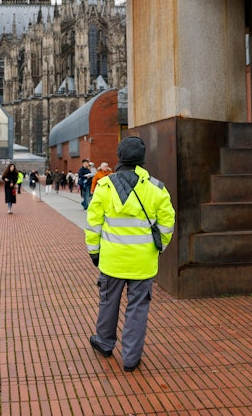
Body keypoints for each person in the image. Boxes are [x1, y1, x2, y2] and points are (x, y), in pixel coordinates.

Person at [85, 136, 176, 372]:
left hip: (112, 261)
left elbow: (93, 225)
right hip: (143, 263)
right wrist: (159, 247)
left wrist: (94, 252)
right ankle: (131, 358)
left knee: (108, 303)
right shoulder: (157, 189)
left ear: (119, 157)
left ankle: (104, 343)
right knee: (138, 309)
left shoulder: (104, 187)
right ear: (142, 159)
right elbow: (167, 224)